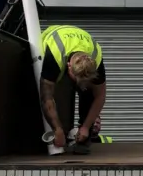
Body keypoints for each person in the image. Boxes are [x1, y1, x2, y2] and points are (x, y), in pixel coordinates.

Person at [39, 25, 107, 154]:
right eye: (77, 79)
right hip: (51, 45)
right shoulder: (54, 57)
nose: (79, 84)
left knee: (88, 91)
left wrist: (86, 127)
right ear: (69, 66)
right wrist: (57, 129)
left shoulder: (96, 59)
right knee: (58, 94)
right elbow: (46, 98)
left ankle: (82, 139)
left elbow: (100, 96)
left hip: (78, 44)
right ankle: (60, 134)